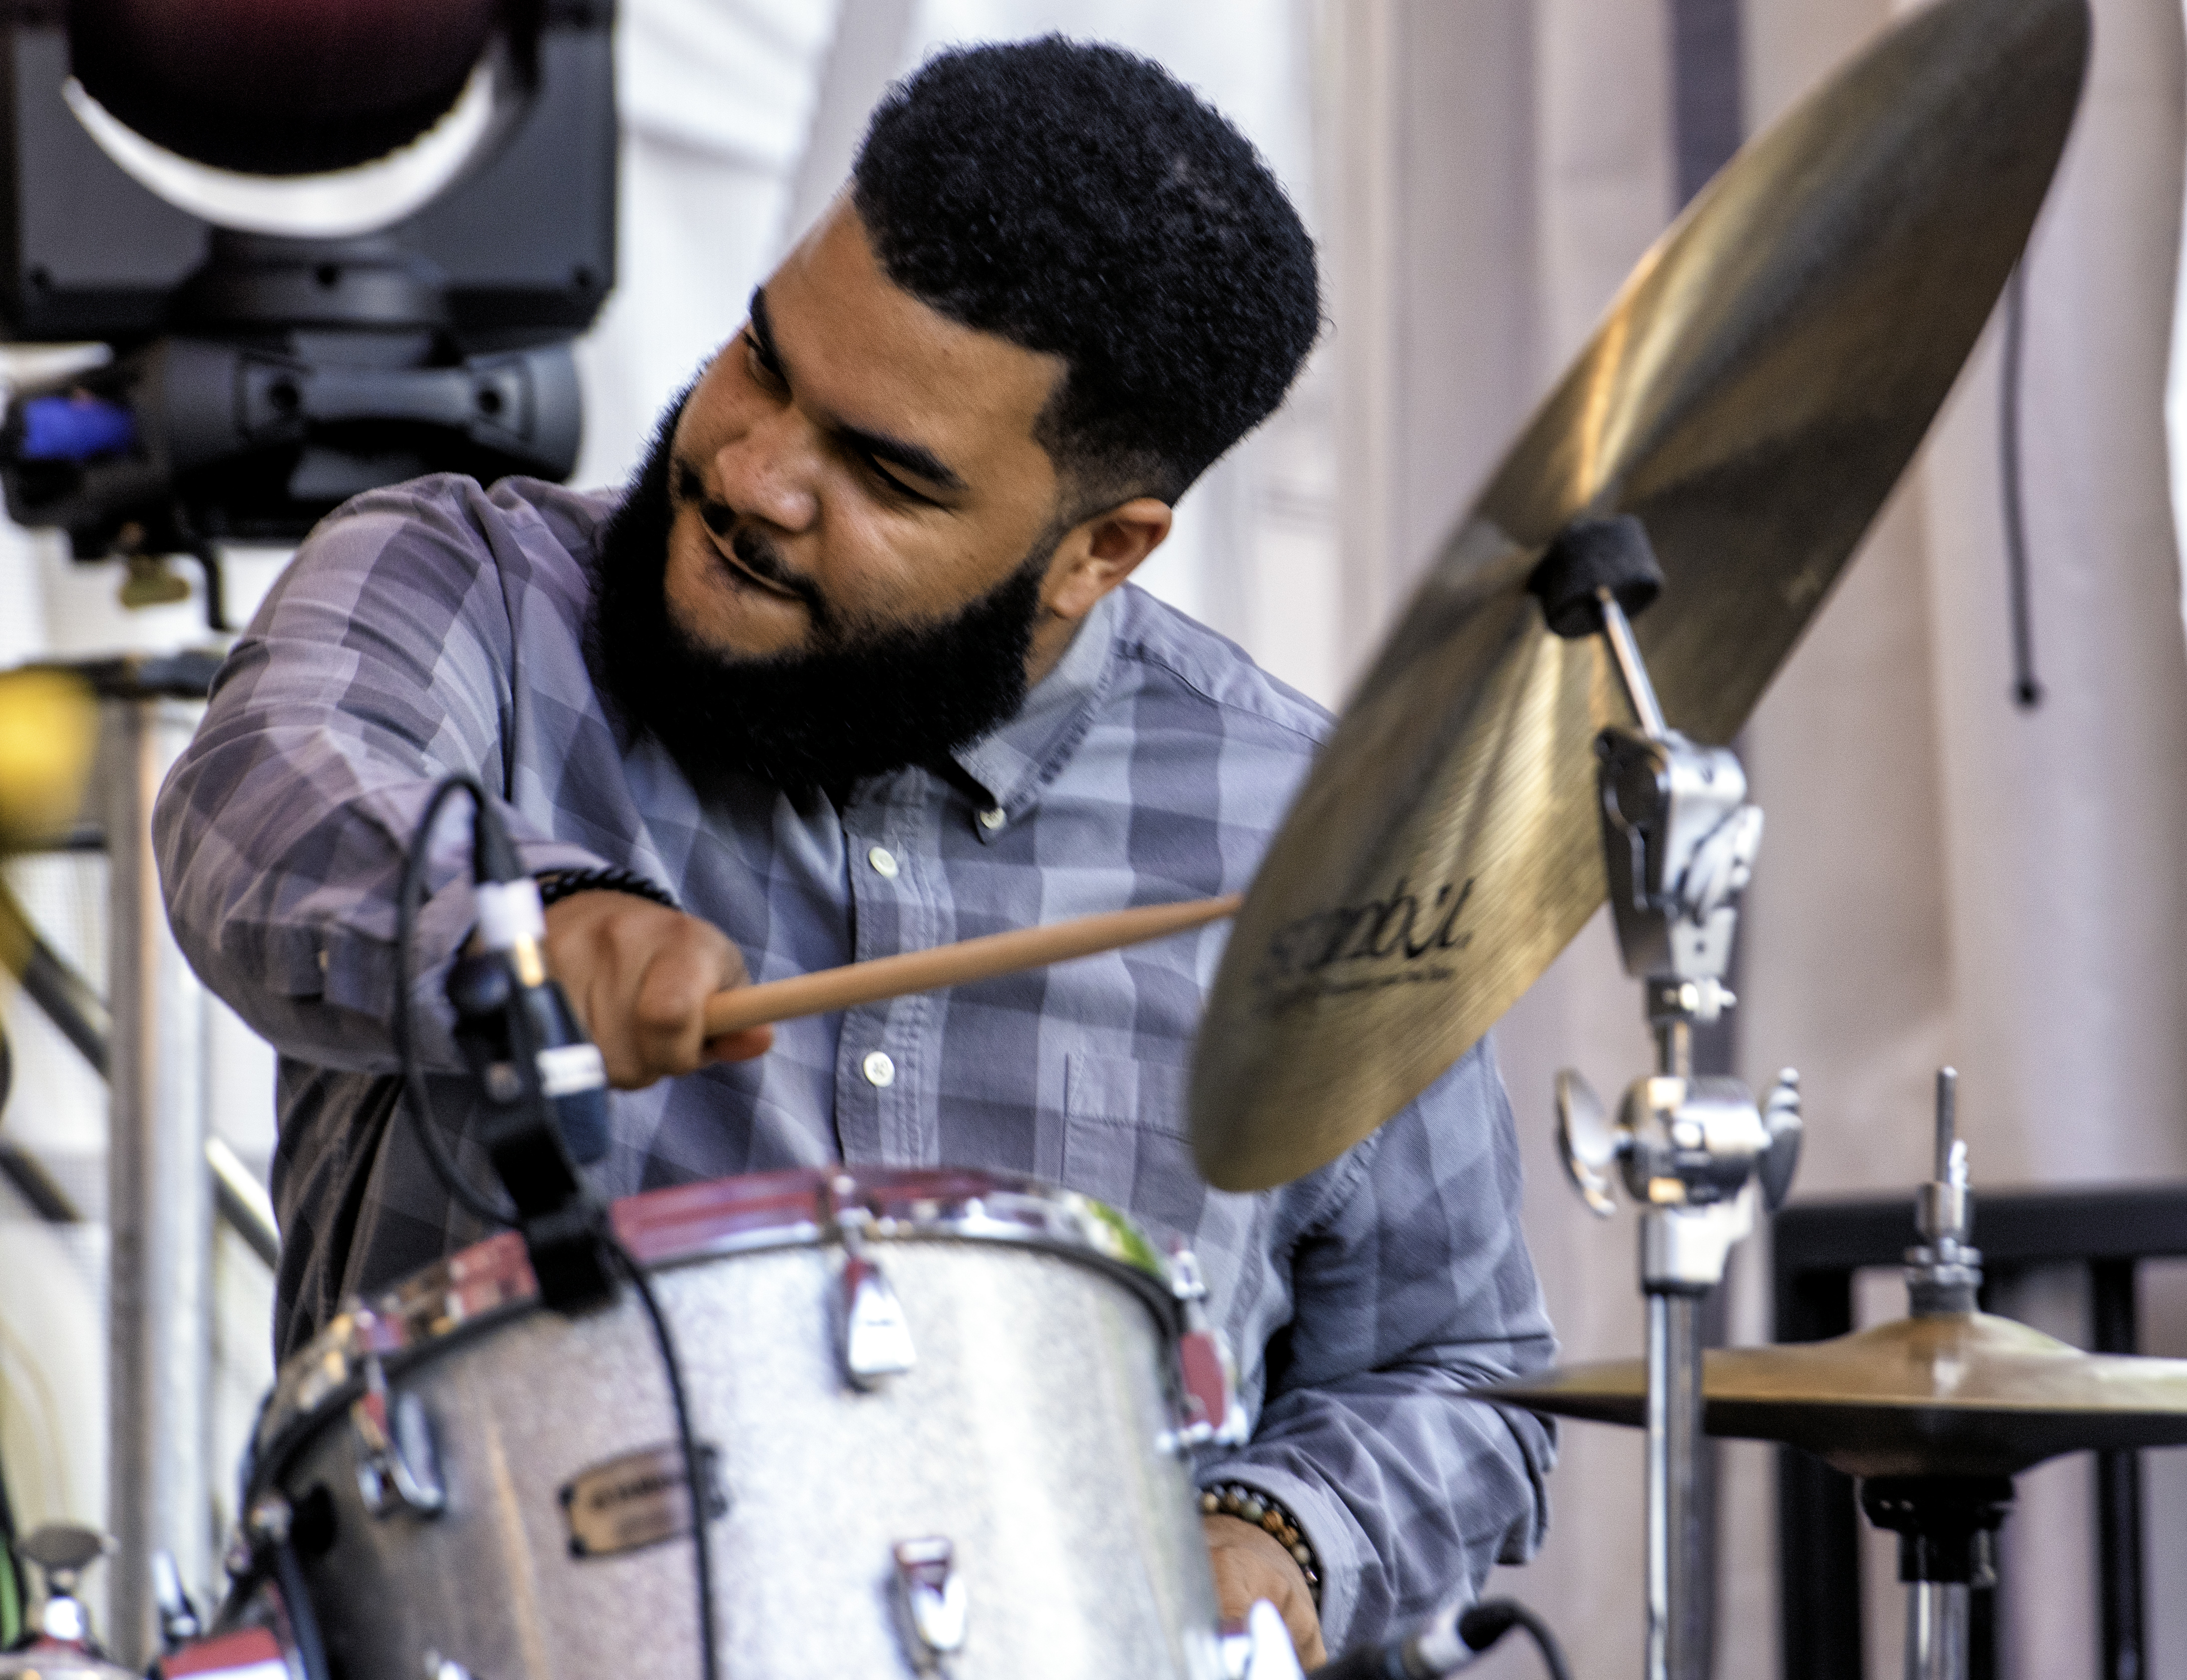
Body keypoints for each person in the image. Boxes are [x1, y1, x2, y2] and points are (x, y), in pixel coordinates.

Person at [157, 35, 1554, 1665]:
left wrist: (1270, 1539)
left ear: (1096, 551)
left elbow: (1459, 1378)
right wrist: (536, 921)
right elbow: (259, 797)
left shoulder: (1308, 832)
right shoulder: (467, 587)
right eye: (763, 361)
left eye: (881, 470)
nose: (751, 473)